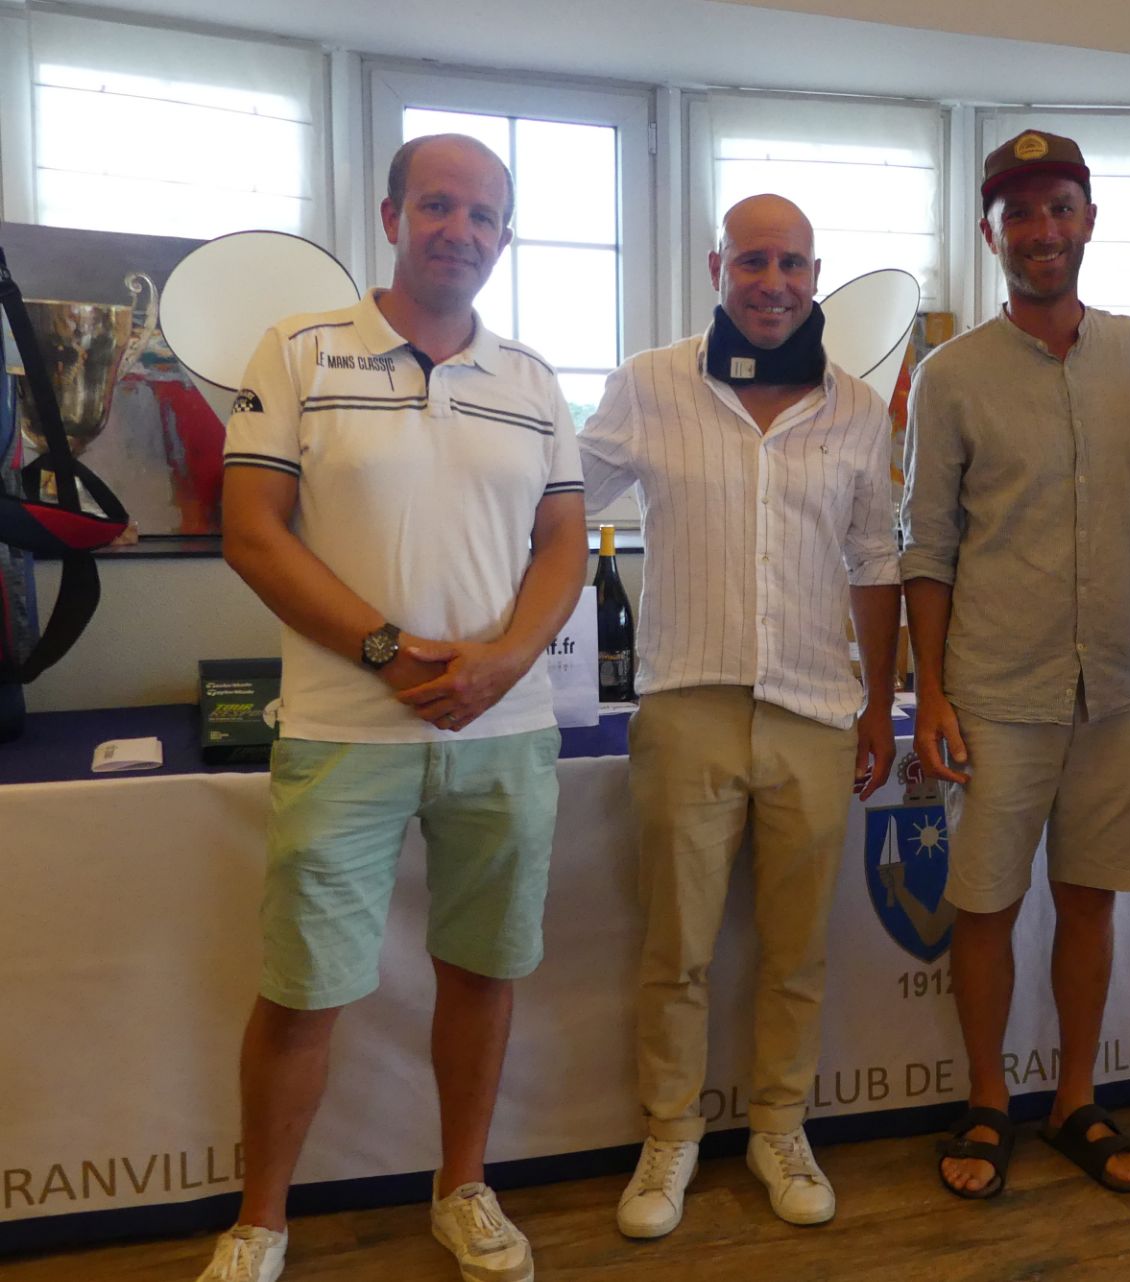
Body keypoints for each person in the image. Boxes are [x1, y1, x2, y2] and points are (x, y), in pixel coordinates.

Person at [199, 134, 586, 1282]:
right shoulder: (300, 350)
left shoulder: (533, 380)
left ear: (504, 237)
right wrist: (388, 650)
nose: (459, 230)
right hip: (344, 727)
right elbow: (251, 531)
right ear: (391, 216)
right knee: (302, 989)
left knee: (483, 970)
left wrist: (504, 662)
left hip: (501, 732)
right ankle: (260, 1223)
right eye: (437, 205)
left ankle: (462, 1187)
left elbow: (563, 546)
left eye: (482, 214)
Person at [577, 194, 901, 1237]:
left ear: (815, 275)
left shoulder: (858, 408)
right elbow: (558, 502)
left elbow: (875, 561)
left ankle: (778, 1125)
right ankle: (670, 1132)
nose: (773, 283)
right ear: (717, 267)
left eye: (792, 264)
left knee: (797, 950)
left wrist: (878, 706)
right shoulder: (649, 385)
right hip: (688, 705)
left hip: (815, 708)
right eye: (753, 262)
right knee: (677, 948)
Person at [902, 130, 1130, 1200]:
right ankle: (988, 1098)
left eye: (1060, 209)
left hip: (1116, 691)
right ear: (992, 234)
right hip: (994, 693)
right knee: (984, 908)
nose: (1043, 231)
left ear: (1089, 221)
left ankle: (1076, 1097)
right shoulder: (950, 376)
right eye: (1020, 214)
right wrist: (930, 694)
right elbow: (926, 544)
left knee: (1089, 903)